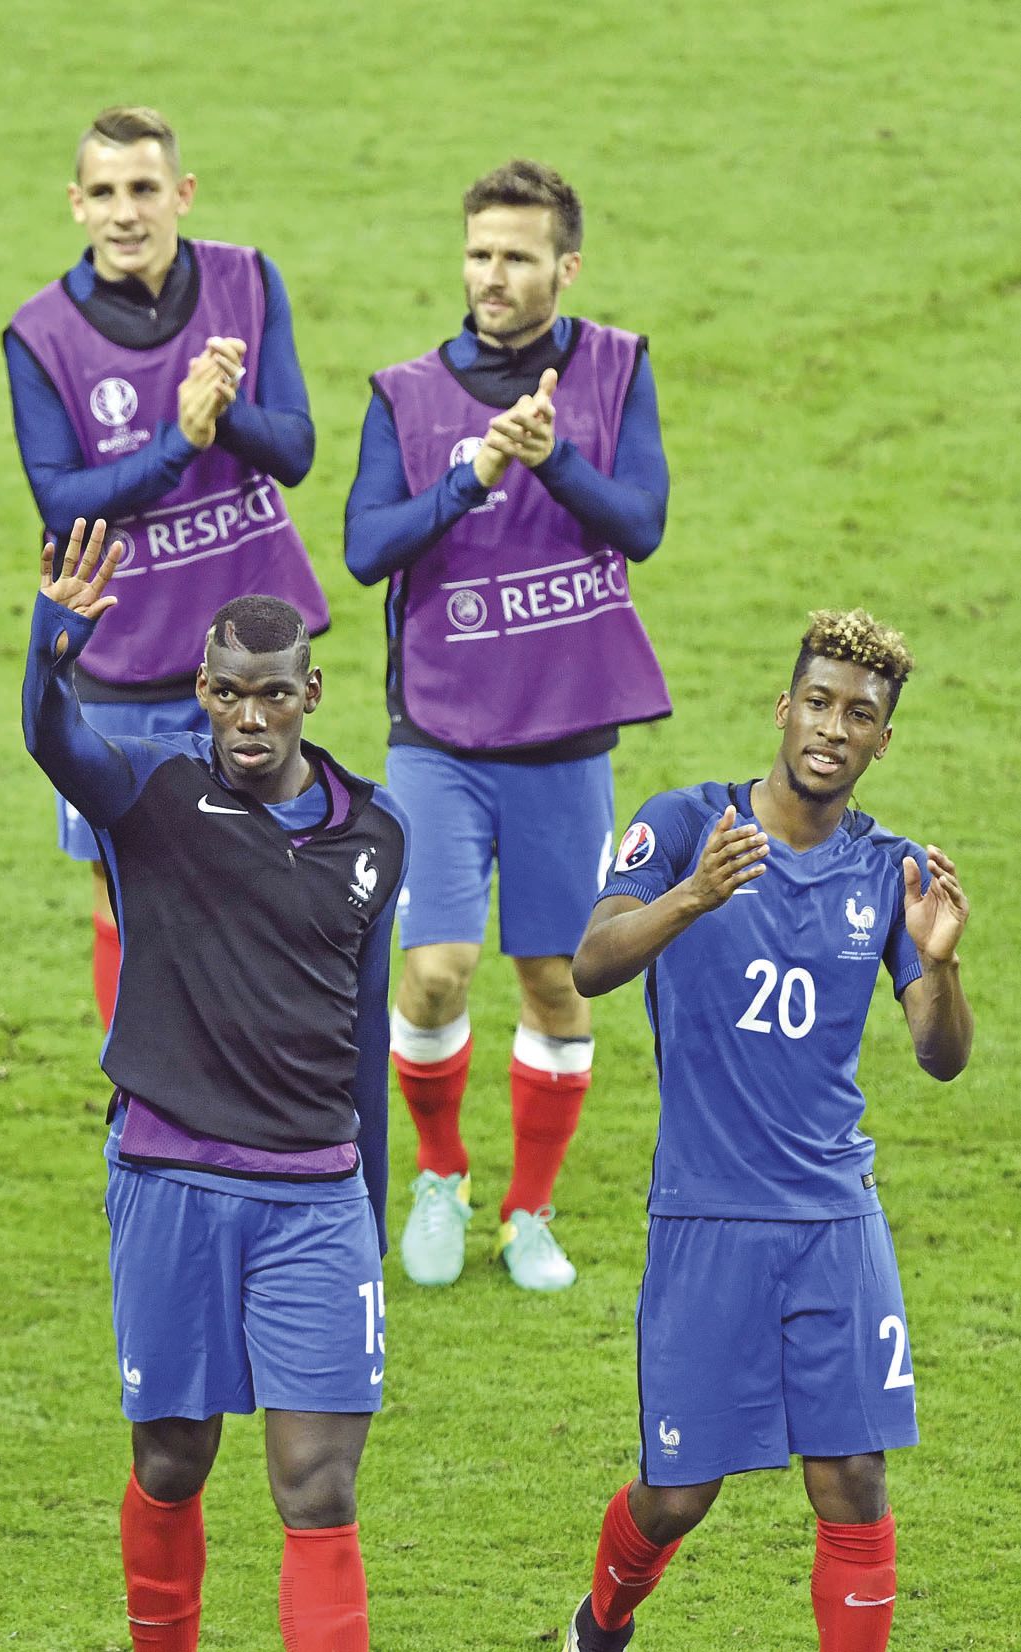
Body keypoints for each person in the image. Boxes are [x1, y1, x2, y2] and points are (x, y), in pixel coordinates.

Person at [25, 519, 405, 1652]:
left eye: (273, 695)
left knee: (318, 1487)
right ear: (200, 688)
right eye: (229, 693)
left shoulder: (376, 829)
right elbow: (56, 744)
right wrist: (52, 646)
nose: (250, 717)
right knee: (170, 1459)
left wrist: (370, 1215)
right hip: (169, 1177)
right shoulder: (146, 790)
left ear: (310, 692)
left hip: (315, 1198)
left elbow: (368, 1026)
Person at [559, 610, 972, 1652]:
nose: (834, 727)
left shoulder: (887, 871)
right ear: (783, 708)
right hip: (707, 1216)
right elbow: (593, 960)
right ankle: (600, 1621)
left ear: (883, 739)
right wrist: (692, 894)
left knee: (853, 1477)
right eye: (821, 703)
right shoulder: (685, 819)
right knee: (677, 1493)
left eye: (861, 714)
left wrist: (942, 961)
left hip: (836, 1217)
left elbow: (939, 1053)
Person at [343, 157, 672, 1291]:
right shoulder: (405, 392)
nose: (492, 274)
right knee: (431, 971)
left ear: (563, 267)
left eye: (517, 256)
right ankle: (440, 1173)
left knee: (554, 979)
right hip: (434, 733)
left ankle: (529, 1208)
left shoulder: (617, 369)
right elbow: (363, 547)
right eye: (479, 253)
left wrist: (555, 458)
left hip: (564, 742)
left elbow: (641, 523)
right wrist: (472, 476)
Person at [4, 105, 326, 1031]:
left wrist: (226, 413)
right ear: (75, 204)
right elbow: (61, 502)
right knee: (123, 890)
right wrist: (179, 441)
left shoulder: (248, 283)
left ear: (180, 193)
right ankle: (138, 1085)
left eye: (143, 188)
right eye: (102, 192)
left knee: (268, 868)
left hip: (252, 666)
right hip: (122, 664)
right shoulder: (40, 335)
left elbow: (296, 448)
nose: (124, 212)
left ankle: (255, 1065)